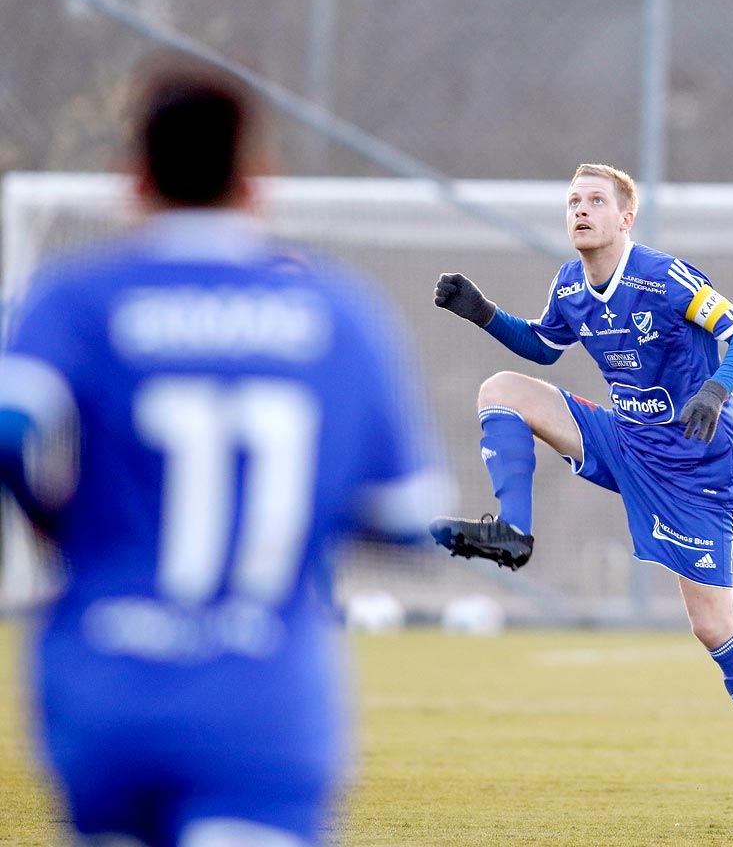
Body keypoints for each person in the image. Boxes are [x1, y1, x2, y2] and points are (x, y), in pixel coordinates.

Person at [0, 62, 451, 847]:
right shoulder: (337, 316)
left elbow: (11, 429)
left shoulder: (75, 298)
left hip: (103, 679)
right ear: (257, 178)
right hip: (260, 694)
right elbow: (410, 519)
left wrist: (57, 519)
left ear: (133, 177)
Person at [429, 163, 733, 827]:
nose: (579, 210)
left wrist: (715, 391)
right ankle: (512, 533)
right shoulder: (571, 283)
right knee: (501, 390)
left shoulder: (662, 277)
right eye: (572, 200)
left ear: (624, 217)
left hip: (695, 466)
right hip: (625, 440)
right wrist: (482, 312)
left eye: (594, 201)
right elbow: (544, 347)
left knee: (711, 626)